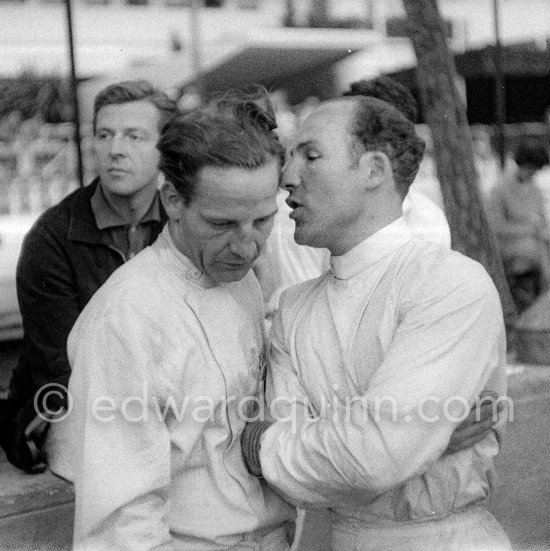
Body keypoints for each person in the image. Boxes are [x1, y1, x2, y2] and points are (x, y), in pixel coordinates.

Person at [241, 95, 511, 550]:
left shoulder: (449, 283)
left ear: (374, 170)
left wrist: (261, 447)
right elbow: (306, 478)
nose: (286, 177)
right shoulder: (294, 308)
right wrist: (424, 443)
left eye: (310, 155)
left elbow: (374, 458)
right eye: (289, 157)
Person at [64, 90, 295, 550]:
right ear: (172, 200)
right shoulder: (126, 315)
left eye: (263, 220)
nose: (247, 246)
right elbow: (120, 518)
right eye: (223, 223)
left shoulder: (242, 279)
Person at [0, 80, 178, 475]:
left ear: (164, 149)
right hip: (68, 400)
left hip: (165, 396)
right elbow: (61, 364)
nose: (115, 149)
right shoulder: (53, 237)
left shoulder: (181, 223)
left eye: (134, 136)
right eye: (104, 135)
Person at [490, 140, 550, 312]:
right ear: (522, 164)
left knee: (541, 248)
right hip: (510, 245)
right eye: (530, 169)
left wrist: (541, 230)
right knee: (537, 251)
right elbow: (496, 227)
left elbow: (542, 221)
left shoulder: (535, 189)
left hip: (534, 242)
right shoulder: (500, 189)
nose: (532, 174)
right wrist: (528, 230)